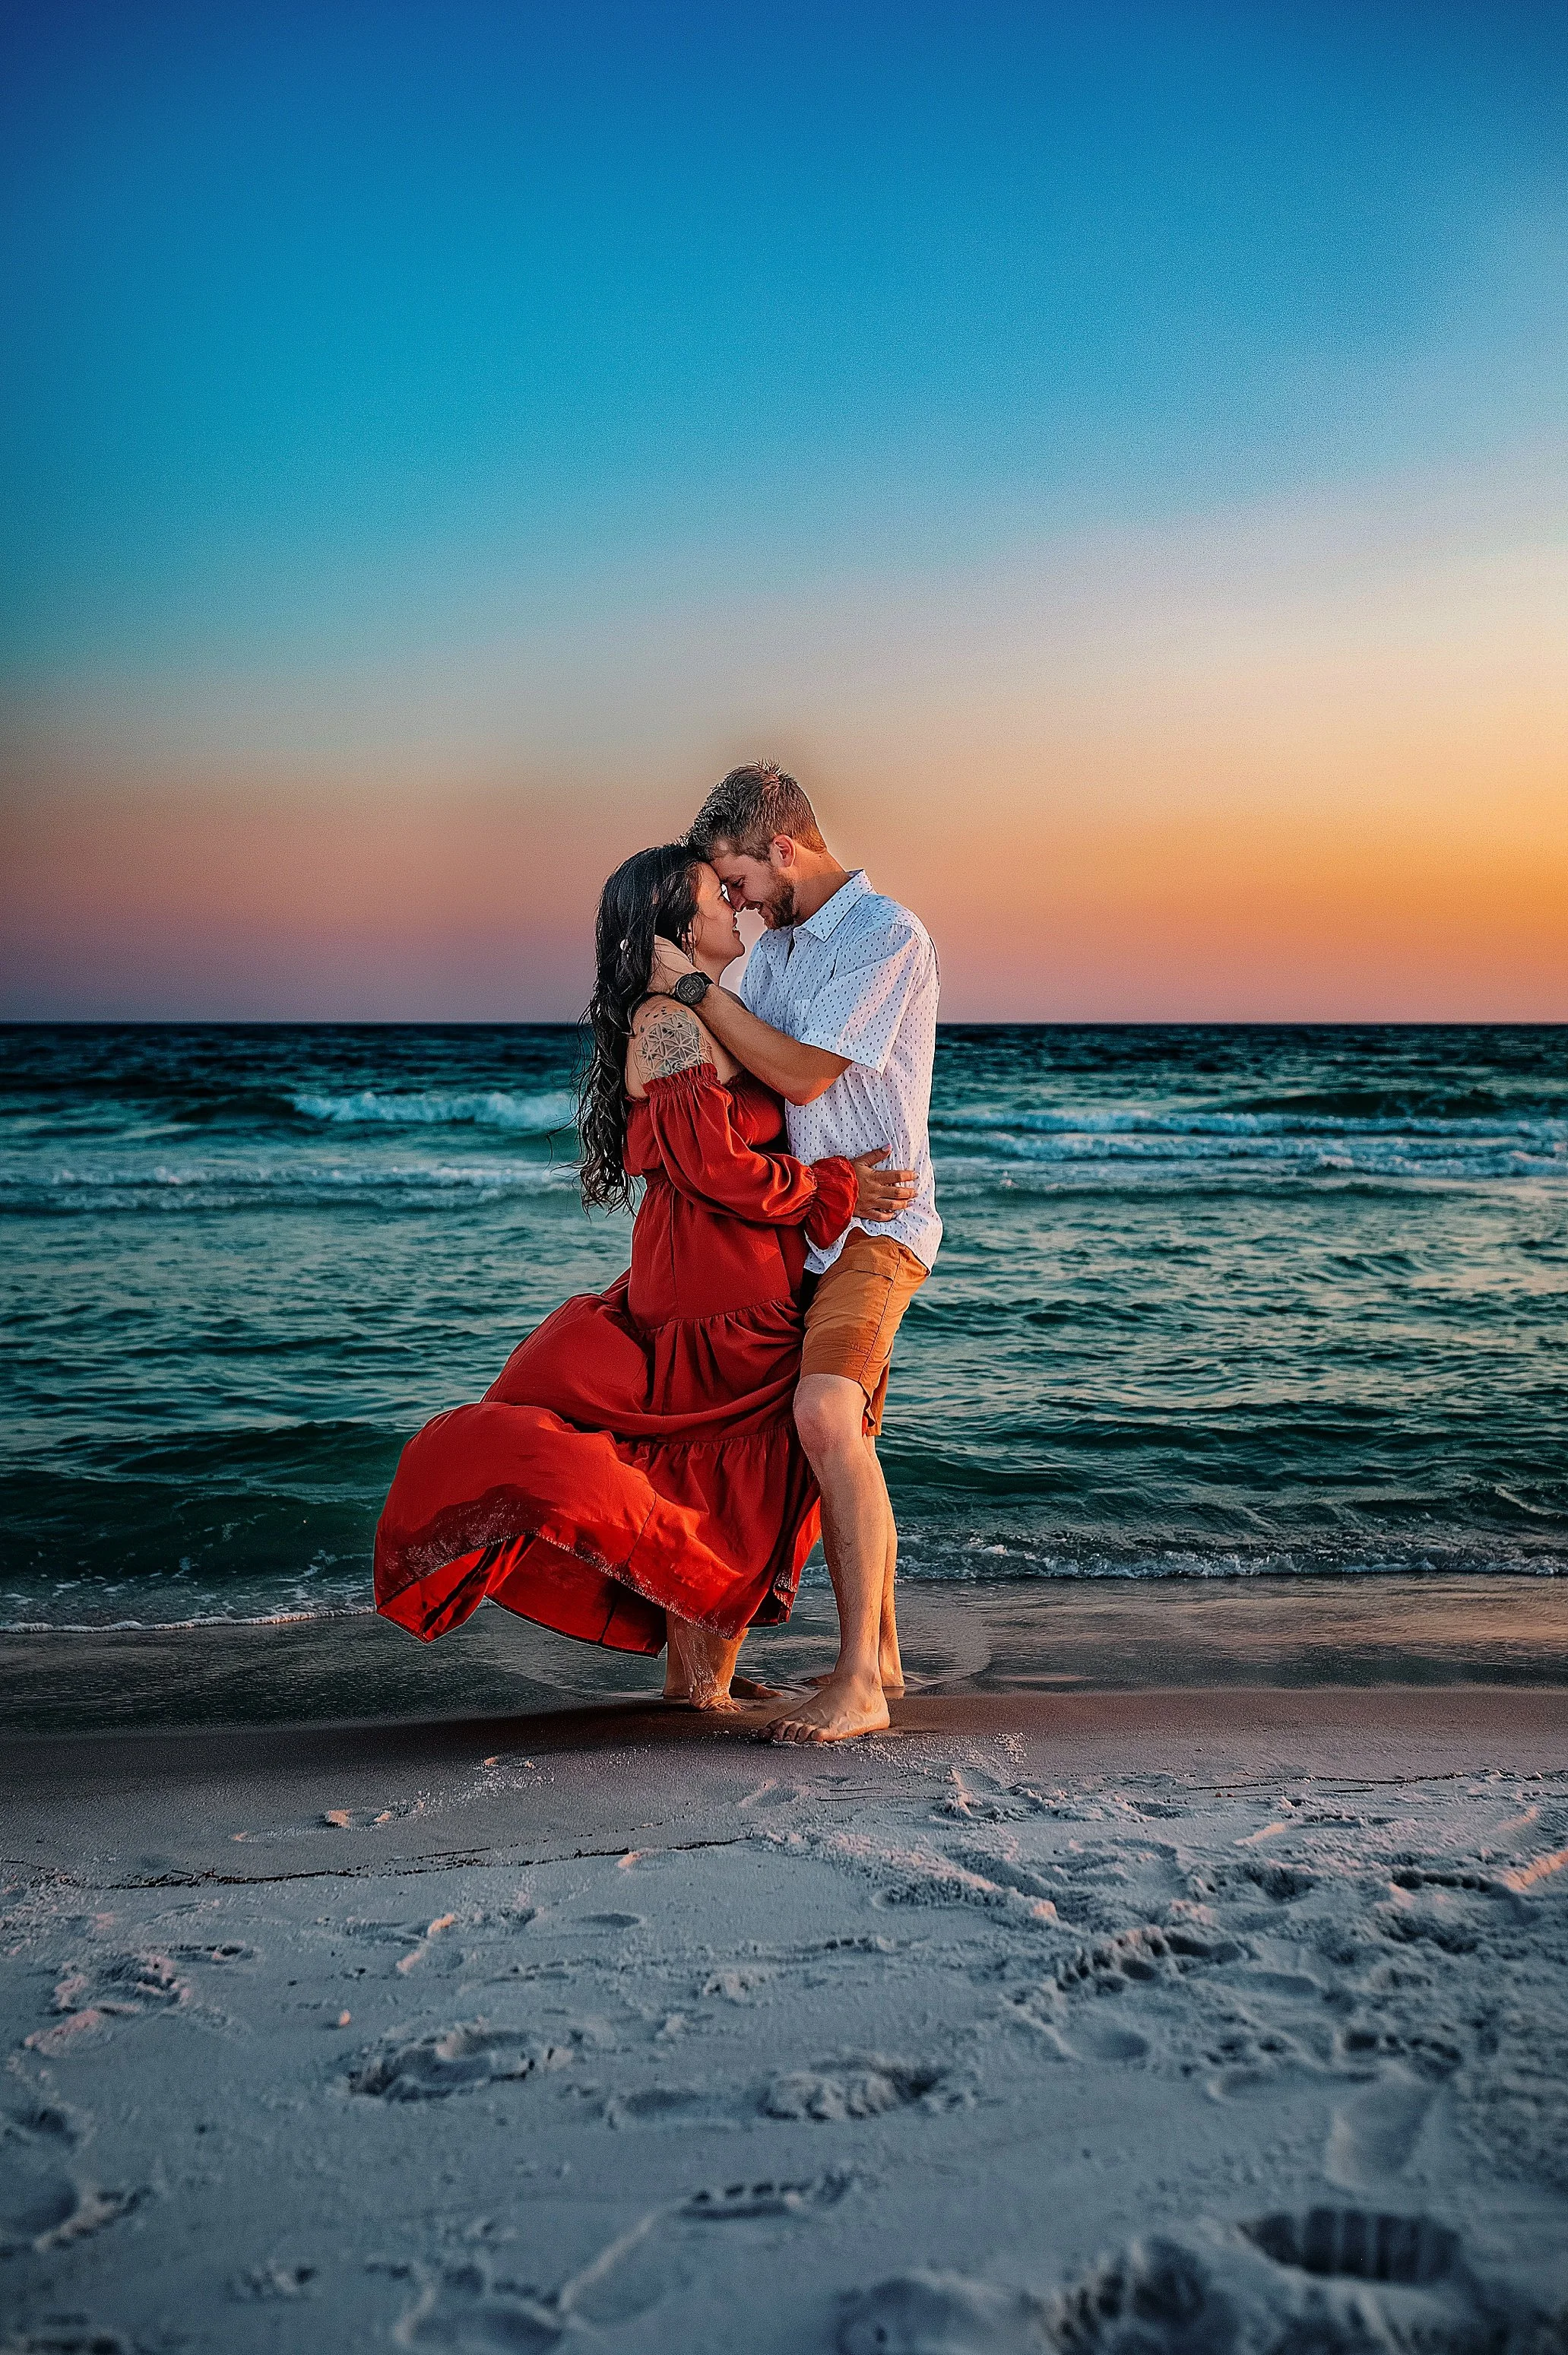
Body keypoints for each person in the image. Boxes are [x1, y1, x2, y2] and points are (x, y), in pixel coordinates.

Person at [373, 842, 914, 1709]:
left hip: (729, 1283)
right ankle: (699, 1691)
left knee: (705, 1486)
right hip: (711, 1291)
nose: (732, 904)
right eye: (714, 894)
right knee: (702, 1484)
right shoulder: (667, 1022)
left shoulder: (703, 1009)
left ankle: (707, 1689)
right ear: (676, 925)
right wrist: (833, 1185)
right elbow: (711, 1167)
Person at [648, 762, 940, 1744]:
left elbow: (806, 1077)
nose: (731, 900)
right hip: (798, 1228)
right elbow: (737, 1070)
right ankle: (884, 1655)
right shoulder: (768, 960)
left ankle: (857, 1681)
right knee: (837, 1431)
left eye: (734, 879)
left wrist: (692, 985)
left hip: (873, 1225)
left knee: (822, 1414)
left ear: (782, 846)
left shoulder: (883, 934)